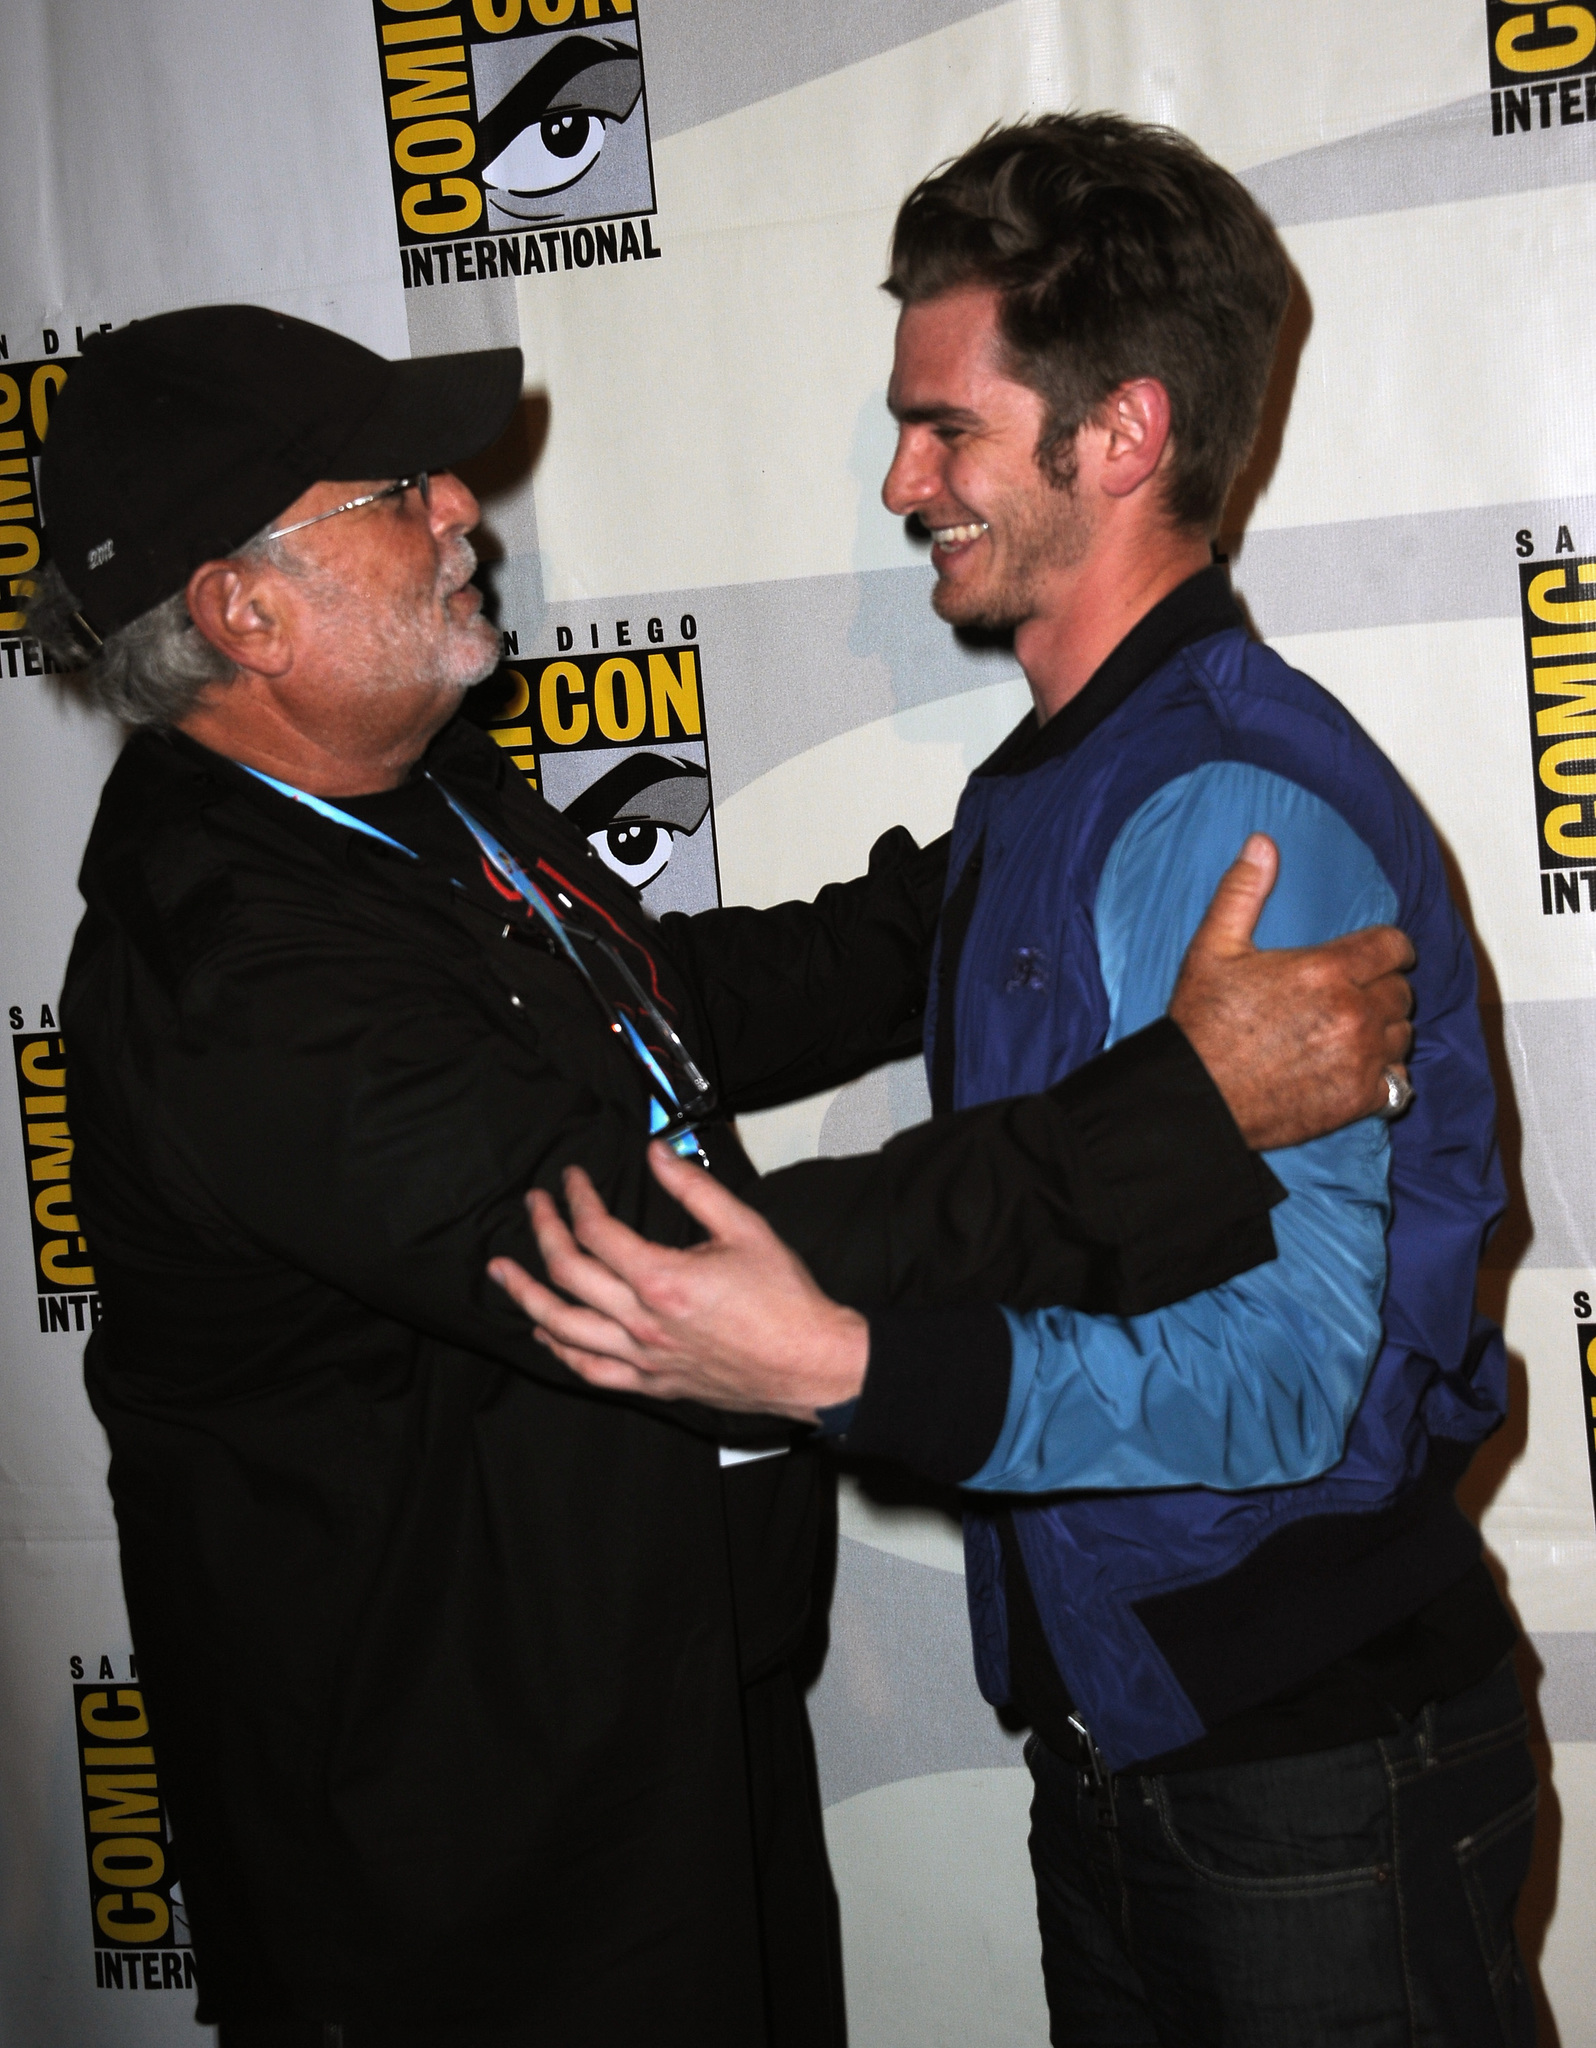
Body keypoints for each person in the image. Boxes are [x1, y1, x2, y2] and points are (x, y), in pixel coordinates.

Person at [34, 304, 1408, 2048]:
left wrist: (1019, 838)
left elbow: (680, 1006)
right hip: (463, 1873)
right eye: (396, 488)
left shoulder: (413, 796)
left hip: (652, 1733)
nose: (465, 503)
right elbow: (654, 1266)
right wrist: (1183, 1109)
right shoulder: (229, 978)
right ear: (244, 609)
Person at [492, 115, 1536, 2047]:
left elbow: (1293, 1378)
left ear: (1120, 435)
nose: (902, 480)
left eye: (947, 428)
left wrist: (845, 1367)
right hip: (1142, 1756)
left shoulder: (1234, 808)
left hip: (1308, 1776)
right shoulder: (1041, 787)